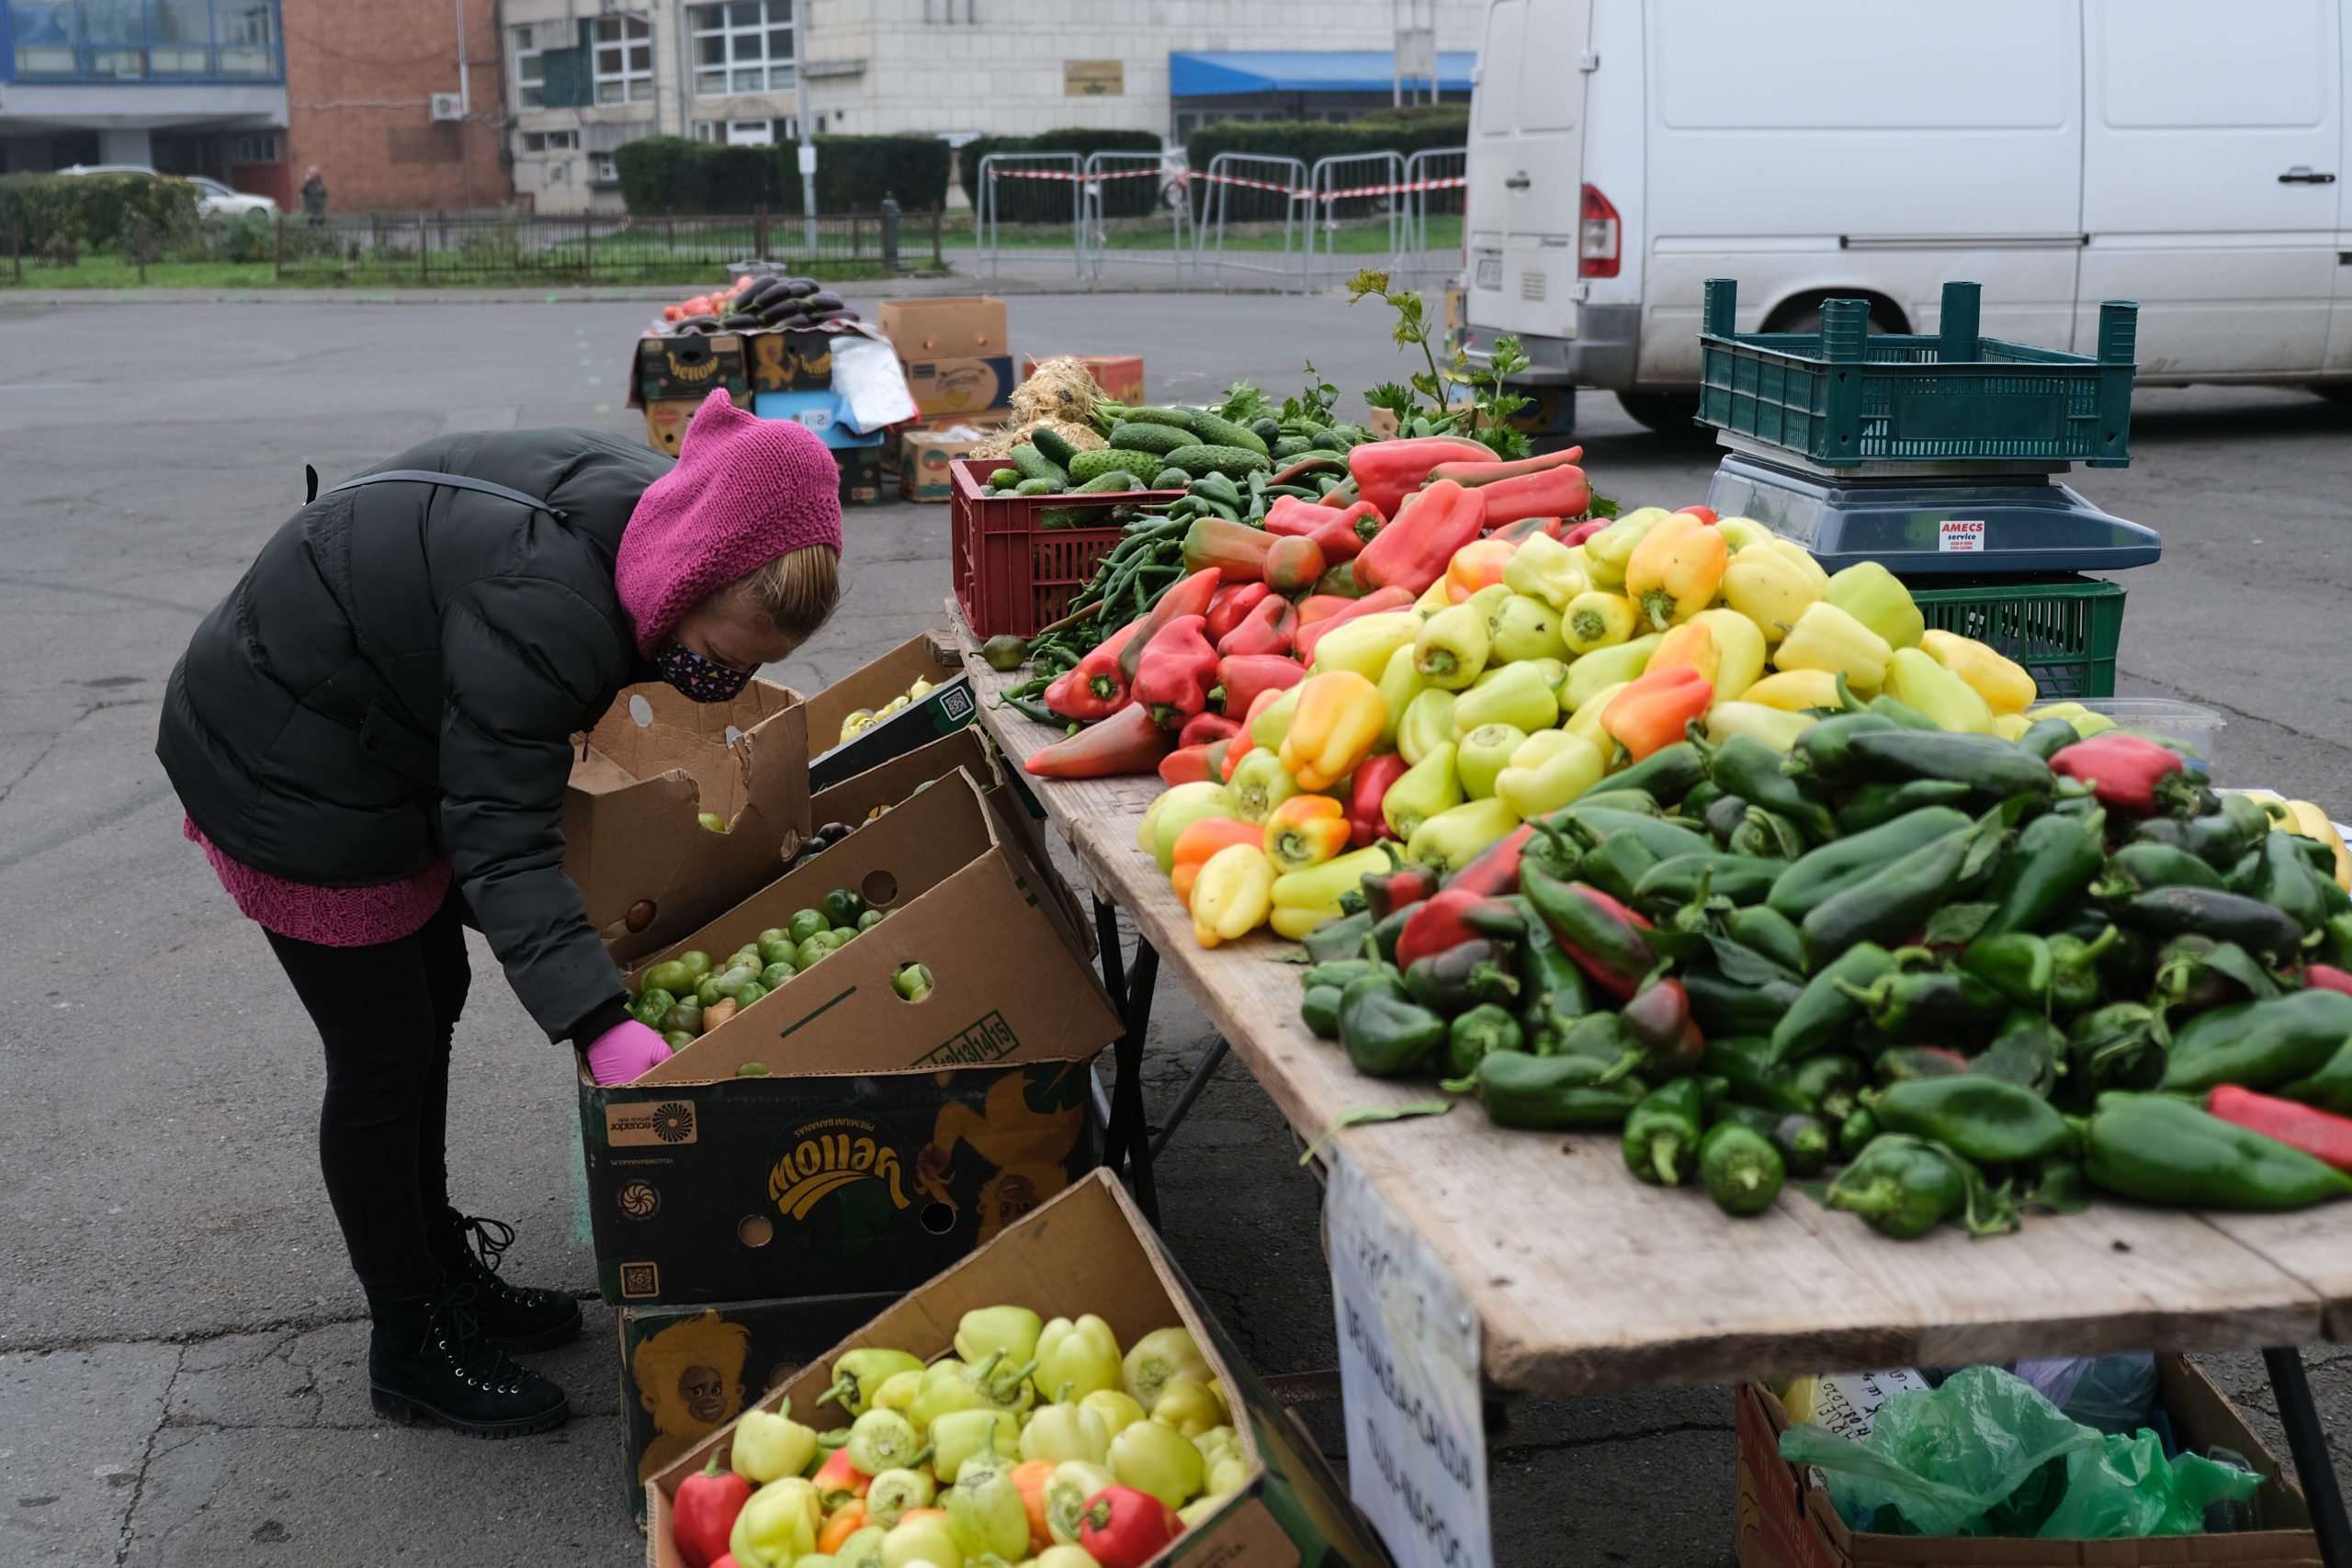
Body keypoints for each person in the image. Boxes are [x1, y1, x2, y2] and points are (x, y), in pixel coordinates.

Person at [157, 389, 842, 1438]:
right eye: (724, 653)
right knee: (382, 1051)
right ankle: (411, 1340)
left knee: (432, 992)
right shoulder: (554, 607)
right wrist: (597, 1018)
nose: (726, 680)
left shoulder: (661, 523)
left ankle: (440, 1268)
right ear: (689, 579)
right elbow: (500, 836)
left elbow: (496, 788)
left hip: (380, 726)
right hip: (284, 750)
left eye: (755, 668)